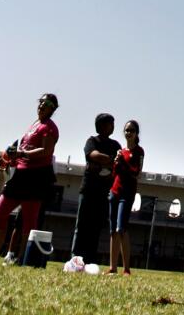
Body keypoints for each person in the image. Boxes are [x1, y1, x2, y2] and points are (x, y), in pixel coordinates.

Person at [0, 93, 59, 262]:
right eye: (40, 102)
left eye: (46, 103)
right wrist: (12, 158)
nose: (42, 105)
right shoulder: (35, 124)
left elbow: (46, 151)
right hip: (20, 174)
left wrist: (22, 153)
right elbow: (24, 149)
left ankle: (23, 258)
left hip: (36, 177)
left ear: (53, 108)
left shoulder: (49, 127)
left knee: (29, 219)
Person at [69, 113, 121, 266]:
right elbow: (93, 154)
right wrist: (108, 161)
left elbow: (118, 163)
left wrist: (101, 163)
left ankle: (90, 259)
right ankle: (75, 258)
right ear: (102, 125)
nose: (112, 127)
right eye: (110, 123)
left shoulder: (116, 145)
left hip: (104, 192)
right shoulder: (92, 141)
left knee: (96, 227)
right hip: (88, 189)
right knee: (82, 225)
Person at [106, 118, 144, 275]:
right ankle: (112, 267)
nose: (129, 133)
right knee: (112, 231)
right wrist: (116, 162)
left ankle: (126, 268)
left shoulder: (138, 151)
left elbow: (136, 172)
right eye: (126, 130)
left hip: (127, 194)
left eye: (132, 130)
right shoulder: (121, 151)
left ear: (136, 134)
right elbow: (115, 173)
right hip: (115, 192)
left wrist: (123, 162)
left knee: (122, 228)